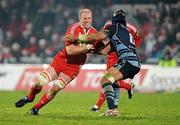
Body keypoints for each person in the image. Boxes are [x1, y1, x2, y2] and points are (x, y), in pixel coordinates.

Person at [15, 8, 97, 115]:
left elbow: (100, 48)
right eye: (85, 18)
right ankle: (30, 97)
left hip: (74, 67)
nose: (87, 20)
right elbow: (70, 50)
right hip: (61, 60)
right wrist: (87, 48)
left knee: (55, 88)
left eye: (89, 18)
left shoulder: (94, 33)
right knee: (38, 83)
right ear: (80, 19)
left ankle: (35, 109)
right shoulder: (73, 28)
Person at [72, 9, 141, 116]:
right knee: (111, 81)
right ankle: (113, 108)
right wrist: (89, 49)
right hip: (133, 62)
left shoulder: (115, 28)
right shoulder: (125, 32)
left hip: (127, 61)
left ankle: (112, 110)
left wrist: (77, 38)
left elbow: (96, 36)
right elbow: (106, 50)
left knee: (105, 80)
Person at [90, 19, 142, 112]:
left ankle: (106, 107)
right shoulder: (129, 27)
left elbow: (103, 37)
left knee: (109, 79)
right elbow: (138, 37)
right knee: (111, 79)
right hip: (117, 51)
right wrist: (131, 48)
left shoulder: (109, 26)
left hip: (117, 53)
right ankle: (114, 104)